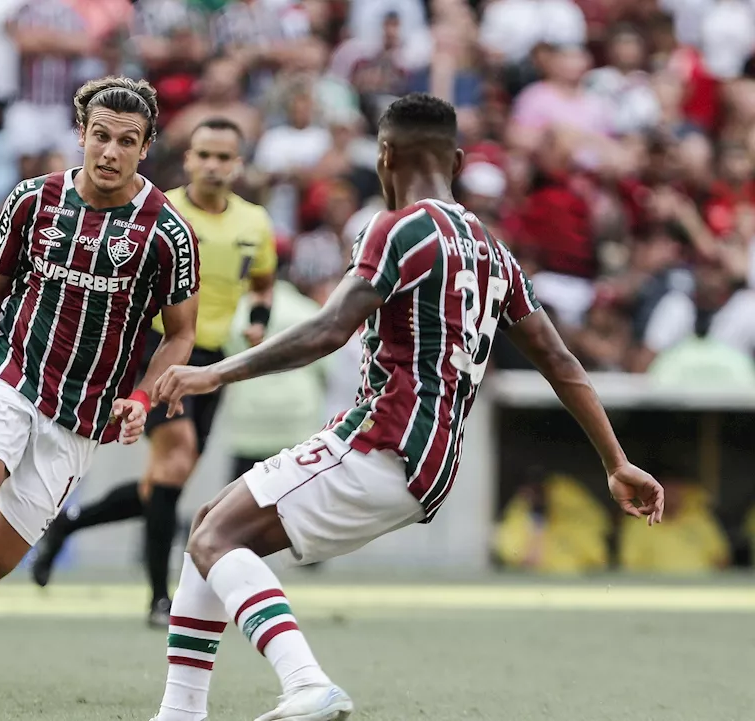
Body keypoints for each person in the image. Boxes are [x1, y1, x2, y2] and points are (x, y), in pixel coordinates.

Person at [147, 93, 666, 721]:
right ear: (459, 160)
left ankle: (306, 683)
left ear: (385, 155)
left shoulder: (399, 228)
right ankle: (180, 714)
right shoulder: (491, 248)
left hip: (383, 439)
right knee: (212, 528)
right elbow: (561, 362)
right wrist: (616, 462)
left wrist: (216, 372)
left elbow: (327, 330)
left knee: (213, 535)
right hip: (433, 462)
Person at [0, 76, 201, 708]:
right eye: (99, 136)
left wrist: (139, 398)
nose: (109, 151)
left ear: (146, 147)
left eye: (126, 141)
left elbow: (180, 333)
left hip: (81, 413)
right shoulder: (33, 201)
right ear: (80, 136)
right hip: (9, 371)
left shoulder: (167, 233)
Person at [31, 117, 277, 627]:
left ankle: (70, 522)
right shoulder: (158, 211)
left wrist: (257, 322)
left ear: (239, 164)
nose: (212, 165)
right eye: (202, 154)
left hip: (213, 363)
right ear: (186, 159)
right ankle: (160, 598)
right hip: (157, 349)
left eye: (223, 157)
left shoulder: (255, 223)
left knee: (164, 482)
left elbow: (262, 283)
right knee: (177, 458)